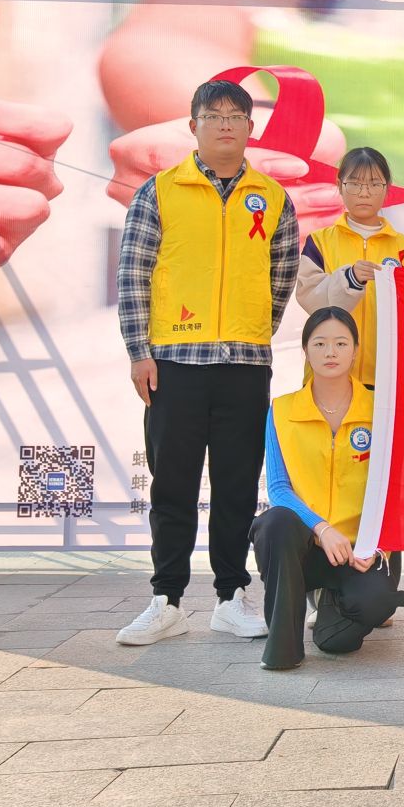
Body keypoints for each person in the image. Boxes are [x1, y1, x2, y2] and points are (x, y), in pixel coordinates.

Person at [115, 78, 297, 646]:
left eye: (235, 116)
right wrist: (139, 351)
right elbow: (133, 273)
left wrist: (251, 329)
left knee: (238, 485)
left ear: (250, 128)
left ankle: (230, 597)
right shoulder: (160, 191)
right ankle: (166, 600)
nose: (225, 125)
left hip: (244, 363)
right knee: (172, 484)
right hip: (174, 362)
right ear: (193, 126)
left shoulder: (272, 197)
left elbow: (282, 275)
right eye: (213, 116)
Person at [251, 307, 404, 668]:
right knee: (275, 522)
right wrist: (321, 528)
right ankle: (283, 649)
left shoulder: (382, 410)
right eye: (319, 344)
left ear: (355, 351)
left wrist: (377, 545)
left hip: (361, 551)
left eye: (340, 343)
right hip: (306, 545)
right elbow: (279, 488)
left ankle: (329, 603)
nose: (330, 352)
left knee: (347, 635)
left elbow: (395, 487)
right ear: (306, 350)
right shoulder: (282, 410)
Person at [294, 147, 404, 390]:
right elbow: (311, 300)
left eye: (374, 184)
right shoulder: (319, 241)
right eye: (355, 184)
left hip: (385, 378)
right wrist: (349, 279)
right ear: (339, 185)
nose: (364, 193)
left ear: (387, 188)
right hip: (328, 375)